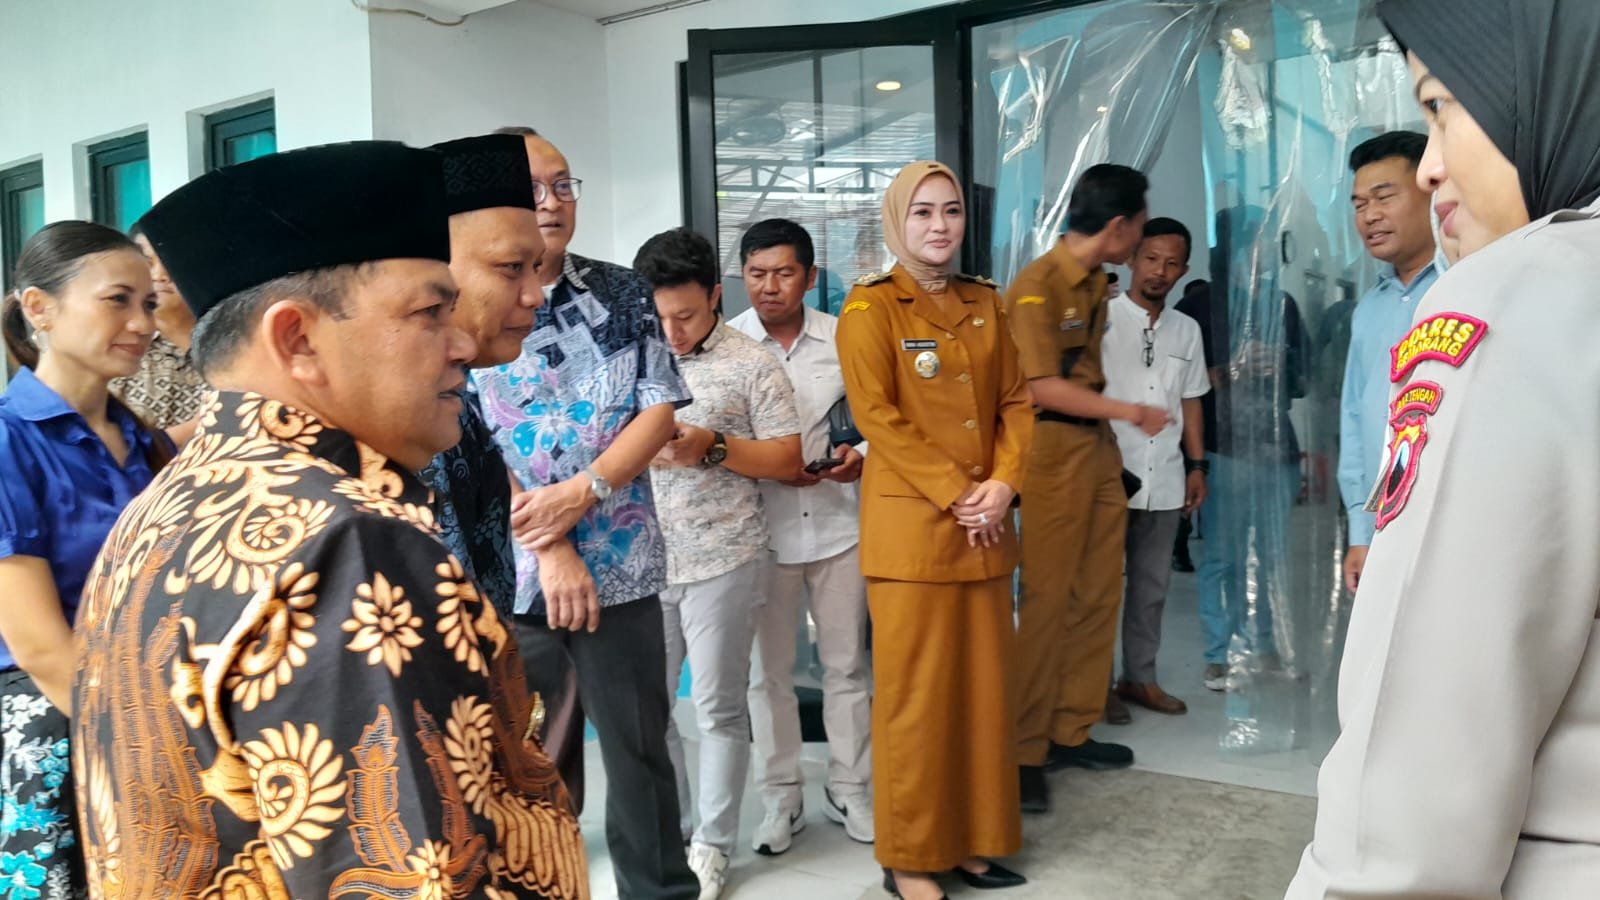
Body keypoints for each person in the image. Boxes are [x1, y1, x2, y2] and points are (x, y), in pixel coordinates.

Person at [72, 142, 586, 898]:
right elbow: (409, 876)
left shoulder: (165, 500)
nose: (461, 343)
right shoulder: (349, 542)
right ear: (298, 339)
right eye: (429, 312)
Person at [1288, 0, 1600, 895]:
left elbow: (1413, 778)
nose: (1431, 167)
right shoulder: (1380, 311)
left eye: (1441, 108)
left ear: (1542, 89)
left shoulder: (1513, 295)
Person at [477, 127, 701, 900]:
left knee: (640, 749)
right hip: (511, 573)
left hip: (622, 561)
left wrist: (585, 493)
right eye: (533, 187)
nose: (552, 201)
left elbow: (658, 407)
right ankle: (544, 885)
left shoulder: (622, 291)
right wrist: (550, 545)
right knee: (527, 754)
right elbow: (465, 431)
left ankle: (660, 892)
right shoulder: (464, 298)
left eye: (563, 184)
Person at [837, 160, 1033, 900]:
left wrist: (1004, 484)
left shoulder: (987, 300)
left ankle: (973, 842)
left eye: (950, 210)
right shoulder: (871, 308)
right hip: (915, 535)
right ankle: (911, 858)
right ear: (897, 220)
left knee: (982, 699)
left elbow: (1015, 401)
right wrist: (960, 494)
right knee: (916, 705)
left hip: (987, 527)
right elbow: (877, 418)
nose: (940, 225)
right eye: (922, 212)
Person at [634, 226, 802, 899]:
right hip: (643, 560)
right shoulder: (633, 355)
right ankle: (674, 830)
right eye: (660, 317)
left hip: (725, 557)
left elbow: (787, 459)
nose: (672, 333)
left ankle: (713, 845)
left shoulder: (752, 364)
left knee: (718, 708)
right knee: (650, 709)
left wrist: (710, 445)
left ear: (713, 295)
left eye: (686, 316)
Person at [0, 221, 166, 899]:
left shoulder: (147, 442)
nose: (143, 323)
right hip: (63, 720)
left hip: (155, 708)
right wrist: (136, 753)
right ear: (39, 308)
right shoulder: (9, 441)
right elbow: (39, 644)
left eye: (149, 303)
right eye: (117, 300)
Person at [1005, 163, 1164, 813]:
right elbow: (1040, 387)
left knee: (1099, 592)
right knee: (1047, 599)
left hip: (1096, 450)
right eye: (1141, 227)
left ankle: (1070, 730)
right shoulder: (1037, 288)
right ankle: (1023, 750)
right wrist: (1131, 412)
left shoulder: (1097, 281)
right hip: (1051, 449)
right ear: (1119, 225)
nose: (1141, 238)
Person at [727, 218, 874, 855]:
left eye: (784, 273)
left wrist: (861, 454)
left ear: (810, 277)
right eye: (757, 274)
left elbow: (879, 417)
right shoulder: (728, 346)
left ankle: (851, 790)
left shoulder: (844, 340)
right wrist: (765, 464)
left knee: (847, 668)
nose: (769, 286)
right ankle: (781, 800)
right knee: (768, 678)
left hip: (841, 525)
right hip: (762, 537)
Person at [417, 133, 545, 616]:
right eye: (511, 267)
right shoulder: (401, 424)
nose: (535, 295)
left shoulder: (456, 399)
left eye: (535, 267)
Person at [1101, 218, 1210, 716]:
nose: (1159, 271)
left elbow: (1191, 400)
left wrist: (1196, 465)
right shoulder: (1102, 319)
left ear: (1183, 270)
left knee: (1151, 589)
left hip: (1164, 474)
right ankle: (1095, 685)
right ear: (1131, 259)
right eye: (1150, 259)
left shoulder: (1187, 330)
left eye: (1171, 263)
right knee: (1100, 589)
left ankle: (1139, 679)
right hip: (1106, 475)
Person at [1338, 131, 1439, 596]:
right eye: (1360, 204)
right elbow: (1354, 418)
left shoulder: (1467, 289)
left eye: (1384, 197)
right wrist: (1360, 533)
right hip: (1383, 522)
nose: (1369, 216)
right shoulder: (1370, 310)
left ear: (1431, 190)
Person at [110, 223, 208, 434]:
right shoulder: (117, 345)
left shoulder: (232, 336)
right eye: (148, 264)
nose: (159, 275)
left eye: (172, 263)